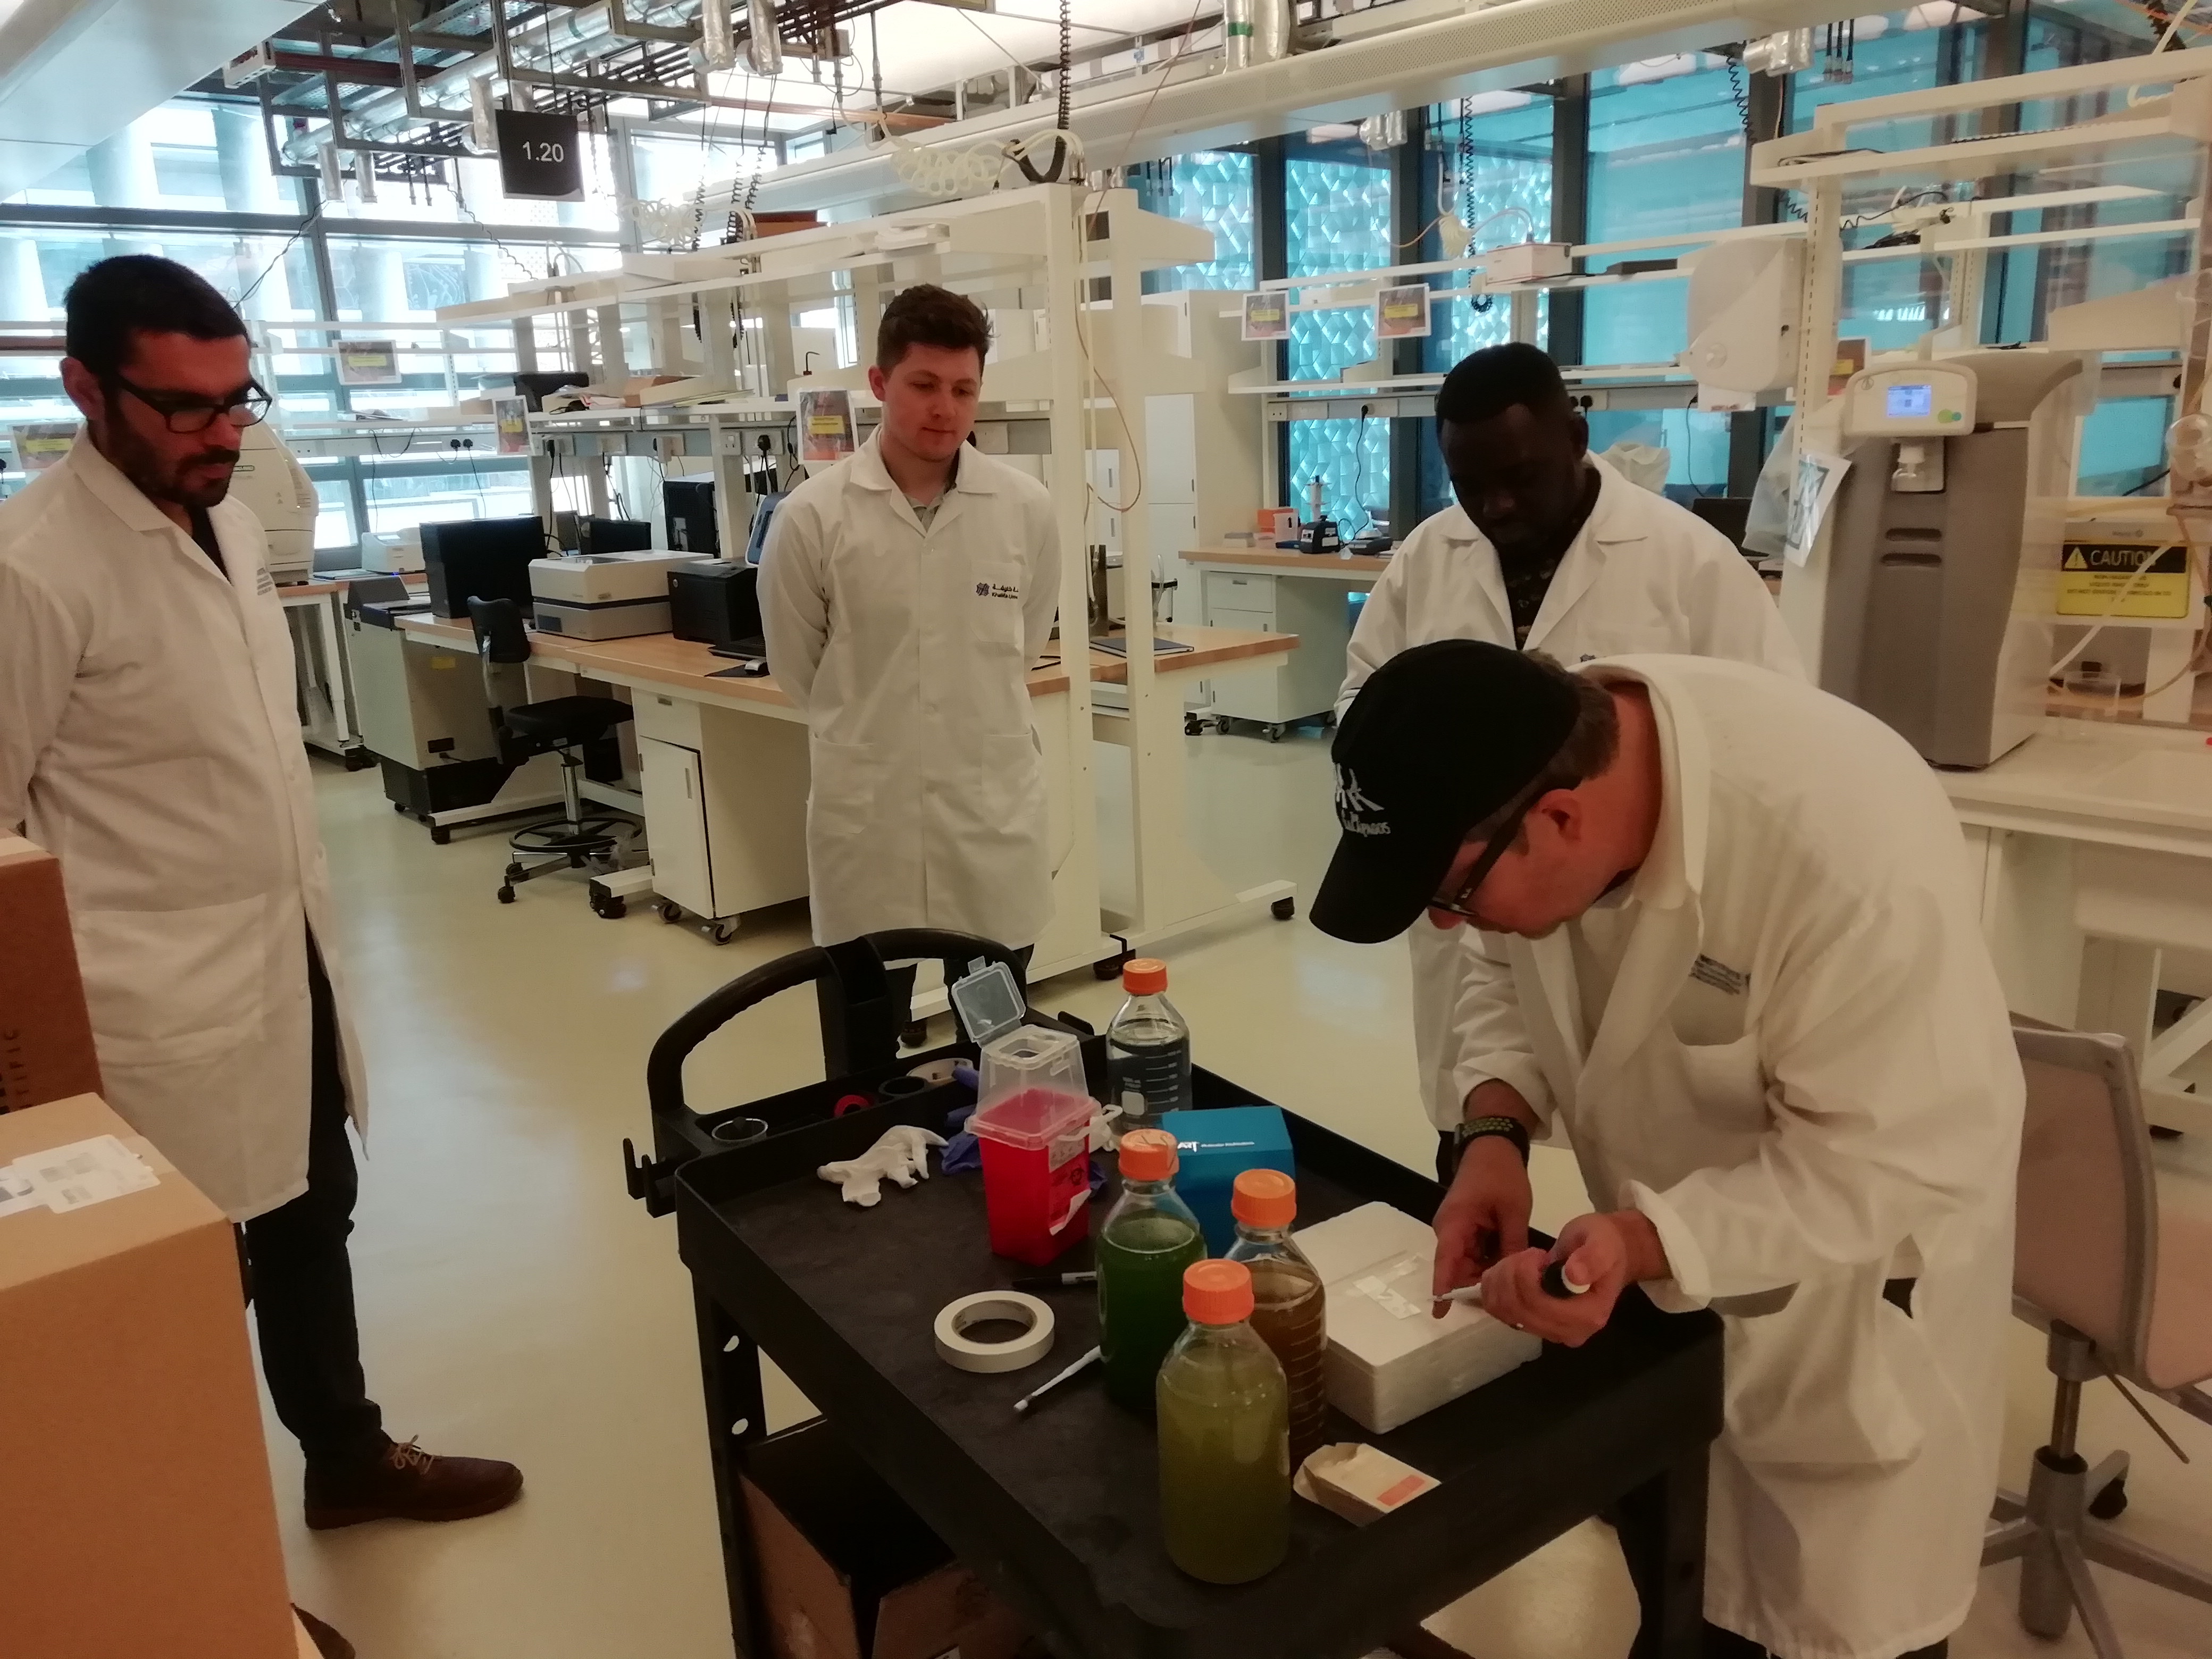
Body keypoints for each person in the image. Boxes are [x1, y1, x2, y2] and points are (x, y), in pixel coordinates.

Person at [1311, 641, 2021, 1659]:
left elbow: (1883, 1161)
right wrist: (1495, 1133)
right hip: (1671, 1309)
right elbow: (1497, 967)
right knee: (1686, 1589)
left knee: (1837, 1625)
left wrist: (1649, 1241)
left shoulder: (1845, 859)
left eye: (1452, 893)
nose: (1445, 918)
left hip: (1849, 1305)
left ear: (1558, 822)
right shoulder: (1546, 760)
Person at [0, 257, 522, 1542]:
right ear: (85, 388)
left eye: (241, 403)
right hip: (141, 1011)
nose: (223, 437)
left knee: (307, 1214)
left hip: (279, 963)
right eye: (187, 409)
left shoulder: (224, 517)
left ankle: (343, 1457)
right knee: (171, 1287)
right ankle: (174, 1550)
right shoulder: (30, 568)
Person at [1336, 343, 1800, 1177]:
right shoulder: (1428, 556)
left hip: (1648, 923)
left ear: (1578, 436)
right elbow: (1361, 707)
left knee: (1656, 1161)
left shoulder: (1688, 563)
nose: (1497, 505)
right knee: (1476, 1119)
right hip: (1478, 896)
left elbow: (1769, 749)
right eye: (1470, 487)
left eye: (1519, 477)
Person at [761, 283, 1060, 993]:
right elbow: (797, 667)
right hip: (869, 818)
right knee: (861, 1068)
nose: (945, 408)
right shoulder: (812, 517)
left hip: (987, 813)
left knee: (998, 1056)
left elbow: (1025, 645)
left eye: (964, 388)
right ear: (878, 383)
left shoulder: (1025, 510)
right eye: (924, 384)